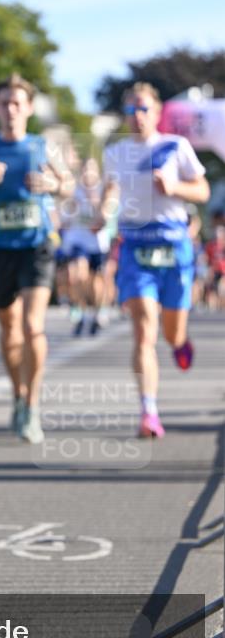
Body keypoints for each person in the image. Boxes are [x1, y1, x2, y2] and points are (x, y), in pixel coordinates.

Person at [0, 74, 73, 444]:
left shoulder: (43, 146)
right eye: (4, 103)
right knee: (9, 330)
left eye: (18, 103)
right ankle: (18, 395)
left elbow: (70, 186)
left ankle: (32, 404)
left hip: (37, 246)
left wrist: (54, 186)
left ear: (29, 108)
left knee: (33, 326)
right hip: (0, 249)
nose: (11, 110)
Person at [99, 82, 209, 438]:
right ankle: (148, 411)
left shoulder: (176, 146)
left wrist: (174, 188)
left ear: (158, 112)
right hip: (136, 247)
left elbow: (202, 190)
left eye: (144, 109)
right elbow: (110, 191)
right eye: (131, 110)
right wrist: (103, 212)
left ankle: (180, 341)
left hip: (174, 246)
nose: (138, 116)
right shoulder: (115, 153)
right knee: (144, 328)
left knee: (171, 331)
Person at [60, 157, 111, 335]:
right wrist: (71, 208)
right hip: (78, 241)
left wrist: (97, 203)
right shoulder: (73, 191)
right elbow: (64, 217)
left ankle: (97, 313)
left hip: (97, 243)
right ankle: (80, 313)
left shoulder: (104, 190)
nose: (88, 174)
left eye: (91, 170)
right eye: (85, 170)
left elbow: (108, 218)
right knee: (77, 275)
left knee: (96, 283)